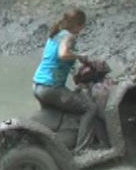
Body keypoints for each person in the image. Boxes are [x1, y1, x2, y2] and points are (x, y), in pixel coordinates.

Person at [32, 8, 98, 150]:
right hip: (51, 88)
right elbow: (62, 54)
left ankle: (57, 147)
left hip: (38, 86)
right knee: (90, 109)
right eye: (82, 26)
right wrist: (79, 56)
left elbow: (60, 63)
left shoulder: (54, 34)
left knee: (58, 116)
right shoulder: (69, 36)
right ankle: (83, 150)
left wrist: (79, 82)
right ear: (79, 25)